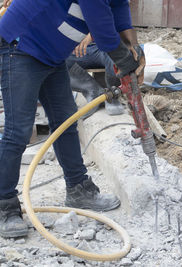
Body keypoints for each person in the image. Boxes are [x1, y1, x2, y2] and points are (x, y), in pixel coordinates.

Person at [0, 0, 145, 238]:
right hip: (21, 47)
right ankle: (5, 206)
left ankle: (78, 189)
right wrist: (126, 61)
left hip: (52, 55)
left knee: (65, 122)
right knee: (18, 131)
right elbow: (100, 24)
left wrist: (134, 48)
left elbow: (119, 7)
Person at [67, 33, 125, 117]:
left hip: (102, 48)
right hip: (73, 51)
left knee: (116, 53)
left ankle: (112, 94)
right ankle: (92, 90)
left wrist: (92, 35)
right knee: (51, 58)